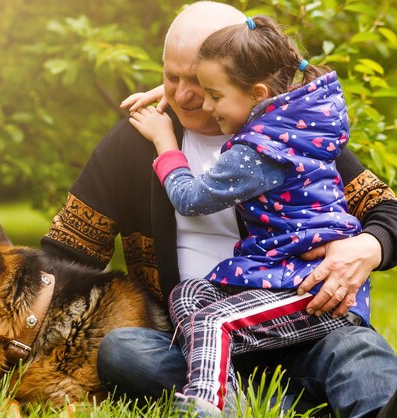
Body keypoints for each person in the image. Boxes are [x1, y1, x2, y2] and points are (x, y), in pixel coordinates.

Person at [40, 2, 397, 416]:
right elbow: (64, 255)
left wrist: (369, 247)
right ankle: (269, 407)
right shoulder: (137, 141)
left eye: (201, 83)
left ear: (249, 83)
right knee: (123, 350)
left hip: (304, 330)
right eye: (172, 78)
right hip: (199, 351)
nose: (187, 95)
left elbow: (388, 211)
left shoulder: (288, 136)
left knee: (358, 349)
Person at [128, 14, 368, 414]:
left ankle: (206, 403)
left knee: (214, 321)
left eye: (213, 96)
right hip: (271, 280)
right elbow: (246, 88)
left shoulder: (258, 150)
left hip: (311, 291)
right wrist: (187, 90)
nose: (202, 104)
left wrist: (165, 140)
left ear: (256, 94)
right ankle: (242, 399)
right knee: (187, 297)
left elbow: (189, 198)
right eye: (184, 84)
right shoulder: (298, 121)